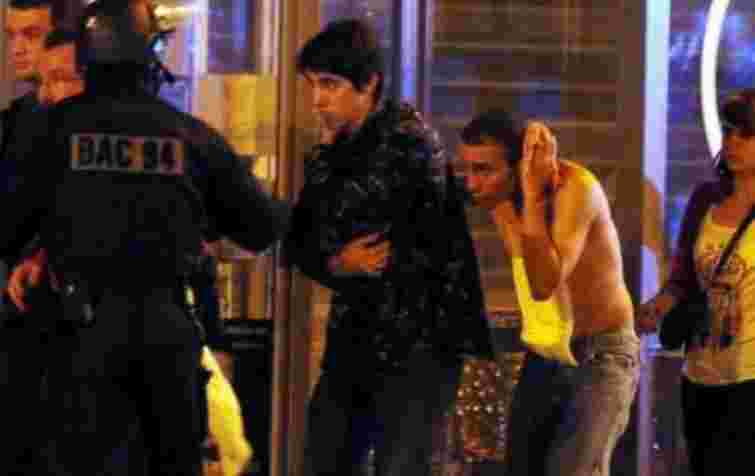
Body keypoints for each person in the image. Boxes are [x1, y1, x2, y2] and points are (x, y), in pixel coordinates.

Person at [0, 1, 288, 474]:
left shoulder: (51, 132)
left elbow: (9, 224)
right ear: (151, 58)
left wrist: (49, 241)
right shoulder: (190, 136)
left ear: (86, 60)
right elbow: (260, 227)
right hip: (168, 339)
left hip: (85, 338)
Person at [284, 18, 493, 476]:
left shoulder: (408, 142)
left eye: (330, 84)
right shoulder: (335, 152)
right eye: (312, 85)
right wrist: (338, 261)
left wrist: (335, 247)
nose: (317, 99)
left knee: (401, 463)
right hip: (357, 336)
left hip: (419, 344)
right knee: (323, 457)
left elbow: (372, 226)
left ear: (369, 84)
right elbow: (300, 241)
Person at [455, 109, 639, 476]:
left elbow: (543, 284)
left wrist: (533, 200)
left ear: (519, 167)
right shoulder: (500, 198)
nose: (473, 183)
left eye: (484, 170)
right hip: (546, 354)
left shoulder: (574, 189)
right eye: (468, 169)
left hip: (598, 355)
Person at [637, 89, 755, 476]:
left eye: (746, 133)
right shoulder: (705, 199)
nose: (732, 141)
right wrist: (658, 306)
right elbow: (683, 279)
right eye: (729, 130)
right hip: (700, 372)